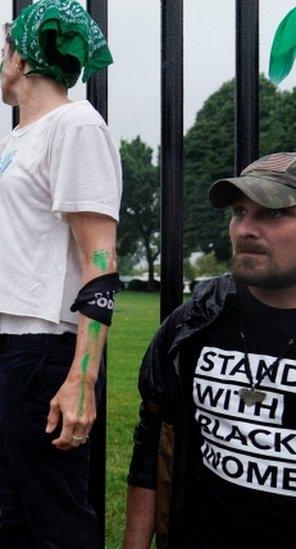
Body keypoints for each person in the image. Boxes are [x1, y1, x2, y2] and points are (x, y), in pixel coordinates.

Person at [0, 0, 121, 545]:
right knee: (10, 517)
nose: (0, 62)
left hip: (43, 351)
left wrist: (82, 377)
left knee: (56, 519)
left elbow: (100, 260)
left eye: (4, 50)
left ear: (25, 60)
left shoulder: (76, 126)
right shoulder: (16, 140)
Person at [124, 153, 296, 548]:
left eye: (272, 214)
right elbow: (152, 442)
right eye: (239, 212)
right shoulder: (195, 323)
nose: (245, 230)